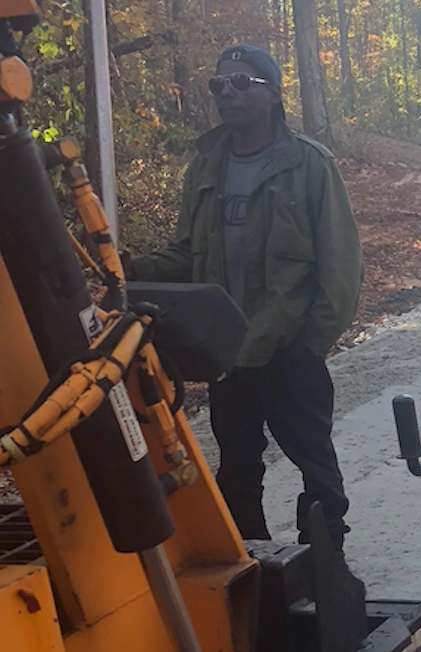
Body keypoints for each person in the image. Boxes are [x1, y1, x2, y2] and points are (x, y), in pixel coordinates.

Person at [128, 44, 362, 550]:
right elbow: (187, 255)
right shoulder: (207, 165)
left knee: (314, 460)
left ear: (273, 94)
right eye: (218, 84)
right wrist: (128, 267)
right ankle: (254, 563)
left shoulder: (308, 165)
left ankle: (325, 559)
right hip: (229, 352)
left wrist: (308, 341)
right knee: (236, 463)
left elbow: (340, 265)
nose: (226, 93)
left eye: (240, 83)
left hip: (287, 347)